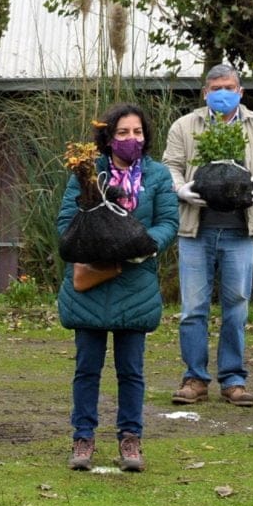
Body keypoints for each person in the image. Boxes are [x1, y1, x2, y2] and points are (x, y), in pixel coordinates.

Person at [57, 105, 180, 472]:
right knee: (87, 367)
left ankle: (130, 439)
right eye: (123, 133)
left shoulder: (157, 176)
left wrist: (141, 244)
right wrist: (100, 243)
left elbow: (169, 221)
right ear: (108, 137)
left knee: (131, 370)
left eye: (137, 132)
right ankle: (83, 437)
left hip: (136, 282)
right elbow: (66, 222)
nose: (131, 139)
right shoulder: (87, 173)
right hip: (92, 281)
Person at [161, 62, 253, 407]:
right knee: (193, 308)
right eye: (215, 88)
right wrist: (180, 188)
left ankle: (233, 379)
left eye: (228, 87)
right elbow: (169, 164)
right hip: (195, 230)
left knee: (236, 307)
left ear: (240, 91)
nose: (222, 94)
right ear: (205, 92)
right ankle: (194, 378)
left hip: (240, 230)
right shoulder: (186, 126)